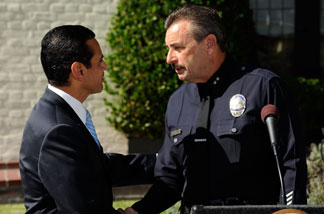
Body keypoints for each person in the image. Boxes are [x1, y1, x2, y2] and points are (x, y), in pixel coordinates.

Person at [121, 4, 307, 214]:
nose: (169, 58)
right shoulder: (177, 102)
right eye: (168, 49)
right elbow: (170, 178)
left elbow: (291, 162)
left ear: (209, 44)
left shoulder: (262, 87)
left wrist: (292, 212)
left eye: (178, 48)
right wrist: (139, 211)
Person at [19, 25, 155, 214]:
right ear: (79, 71)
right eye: (100, 60)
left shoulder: (57, 112)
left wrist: (162, 162)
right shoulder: (58, 129)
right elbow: (81, 209)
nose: (105, 66)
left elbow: (98, 168)